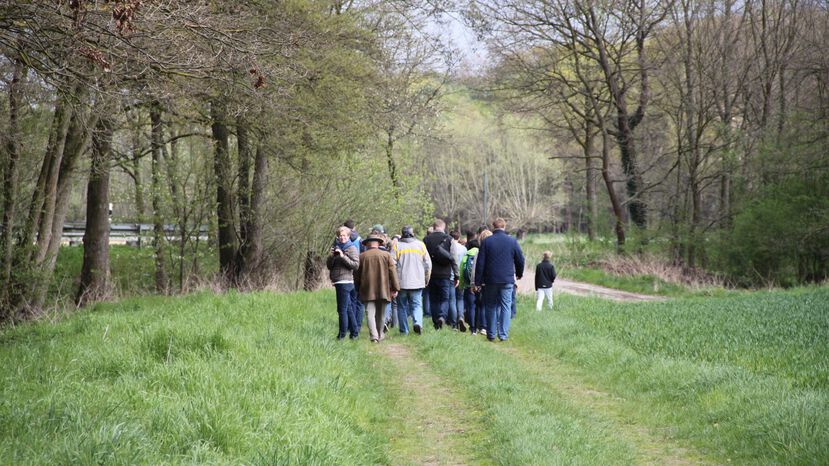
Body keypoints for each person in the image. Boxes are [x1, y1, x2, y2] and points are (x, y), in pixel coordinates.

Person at [474, 218, 525, 342]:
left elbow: (480, 263)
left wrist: (477, 282)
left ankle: (491, 334)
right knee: (506, 306)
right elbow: (520, 259)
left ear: (493, 227)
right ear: (504, 226)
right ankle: (503, 334)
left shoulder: (487, 242)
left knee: (490, 306)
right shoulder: (512, 241)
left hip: (490, 280)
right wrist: (519, 273)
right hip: (507, 279)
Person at [355, 232, 400, 342]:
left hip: (367, 289)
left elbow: (356, 275)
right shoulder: (386, 255)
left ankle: (374, 336)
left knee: (370, 313)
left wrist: (358, 288)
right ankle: (380, 334)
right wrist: (395, 288)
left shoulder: (361, 257)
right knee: (381, 314)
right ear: (378, 243)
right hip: (383, 289)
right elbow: (393, 272)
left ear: (367, 244)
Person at [394, 225, 431, 335]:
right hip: (417, 282)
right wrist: (426, 279)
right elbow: (428, 264)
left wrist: (393, 282)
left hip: (401, 283)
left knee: (401, 307)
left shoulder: (397, 246)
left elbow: (391, 265)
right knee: (417, 305)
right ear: (412, 233)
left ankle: (404, 331)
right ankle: (418, 323)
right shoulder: (420, 245)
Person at [423, 219, 459, 329]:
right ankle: (442, 317)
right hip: (445, 275)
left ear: (433, 227)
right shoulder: (449, 239)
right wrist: (457, 275)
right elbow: (454, 259)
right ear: (443, 227)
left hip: (432, 275)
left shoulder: (426, 240)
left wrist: (424, 275)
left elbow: (423, 259)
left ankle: (436, 322)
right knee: (445, 298)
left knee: (433, 299)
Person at [326, 226, 360, 340]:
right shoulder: (336, 248)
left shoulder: (351, 248)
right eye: (340, 236)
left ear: (348, 236)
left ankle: (341, 335)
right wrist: (331, 256)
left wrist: (342, 256)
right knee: (348, 308)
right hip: (339, 281)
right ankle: (354, 333)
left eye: (344, 235)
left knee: (342, 310)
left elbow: (355, 265)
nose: (342, 238)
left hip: (345, 282)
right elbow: (329, 266)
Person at [459, 238, 480, 334]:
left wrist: (461, 285)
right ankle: (481, 326)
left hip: (468, 285)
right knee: (480, 306)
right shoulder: (481, 254)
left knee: (471, 307)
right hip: (480, 285)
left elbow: (462, 271)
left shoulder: (466, 255)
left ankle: (472, 329)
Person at [449, 230, 467, 331]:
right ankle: (460, 316)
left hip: (450, 277)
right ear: (459, 238)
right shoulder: (464, 248)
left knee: (452, 300)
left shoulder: (449, 247)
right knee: (460, 299)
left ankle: (454, 324)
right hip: (461, 277)